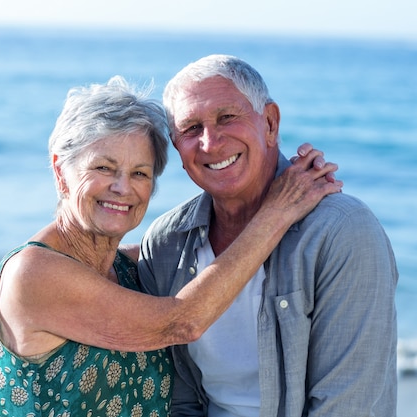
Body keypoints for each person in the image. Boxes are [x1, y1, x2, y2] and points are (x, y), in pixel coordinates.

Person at [0, 75, 343, 417]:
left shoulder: (134, 267)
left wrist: (268, 189)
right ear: (60, 171)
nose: (122, 188)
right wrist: (278, 211)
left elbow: (217, 248)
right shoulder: (32, 274)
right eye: (104, 167)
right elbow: (183, 322)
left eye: (140, 173)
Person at [135, 55, 399, 417]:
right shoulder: (166, 243)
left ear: (271, 123)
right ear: (178, 148)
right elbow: (179, 400)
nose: (210, 142)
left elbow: (344, 407)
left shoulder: (343, 231)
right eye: (192, 128)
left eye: (227, 117)